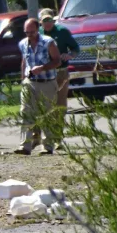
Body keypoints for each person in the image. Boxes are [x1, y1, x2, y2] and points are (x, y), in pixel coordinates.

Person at [15, 18, 62, 155]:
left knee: (47, 114)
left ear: (38, 30)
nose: (29, 35)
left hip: (47, 82)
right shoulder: (23, 43)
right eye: (27, 32)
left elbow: (57, 61)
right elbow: (24, 61)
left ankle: (47, 146)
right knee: (26, 112)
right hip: (30, 82)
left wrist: (42, 68)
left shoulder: (48, 42)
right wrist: (23, 79)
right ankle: (25, 146)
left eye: (32, 32)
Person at [39, 8, 79, 149]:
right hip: (45, 74)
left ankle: (58, 137)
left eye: (49, 20)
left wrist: (69, 55)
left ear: (54, 20)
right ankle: (47, 138)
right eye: (44, 21)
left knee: (60, 105)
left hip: (61, 73)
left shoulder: (62, 32)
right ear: (40, 22)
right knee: (46, 105)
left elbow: (75, 48)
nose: (47, 23)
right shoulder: (38, 34)